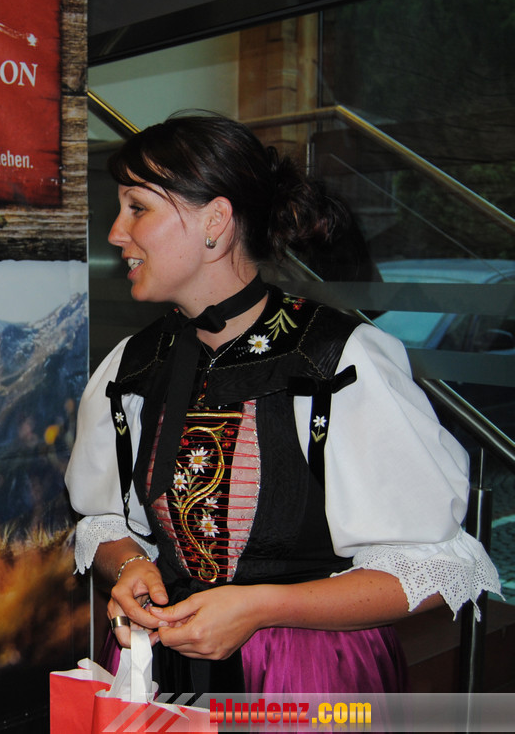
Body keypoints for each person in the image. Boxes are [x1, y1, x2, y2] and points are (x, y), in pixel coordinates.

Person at [64, 113, 501, 694]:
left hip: (304, 675)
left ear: (215, 221)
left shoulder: (337, 360)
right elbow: (103, 521)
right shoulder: (134, 364)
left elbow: (437, 569)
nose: (117, 233)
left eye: (137, 207)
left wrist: (262, 606)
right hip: (162, 667)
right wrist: (130, 566)